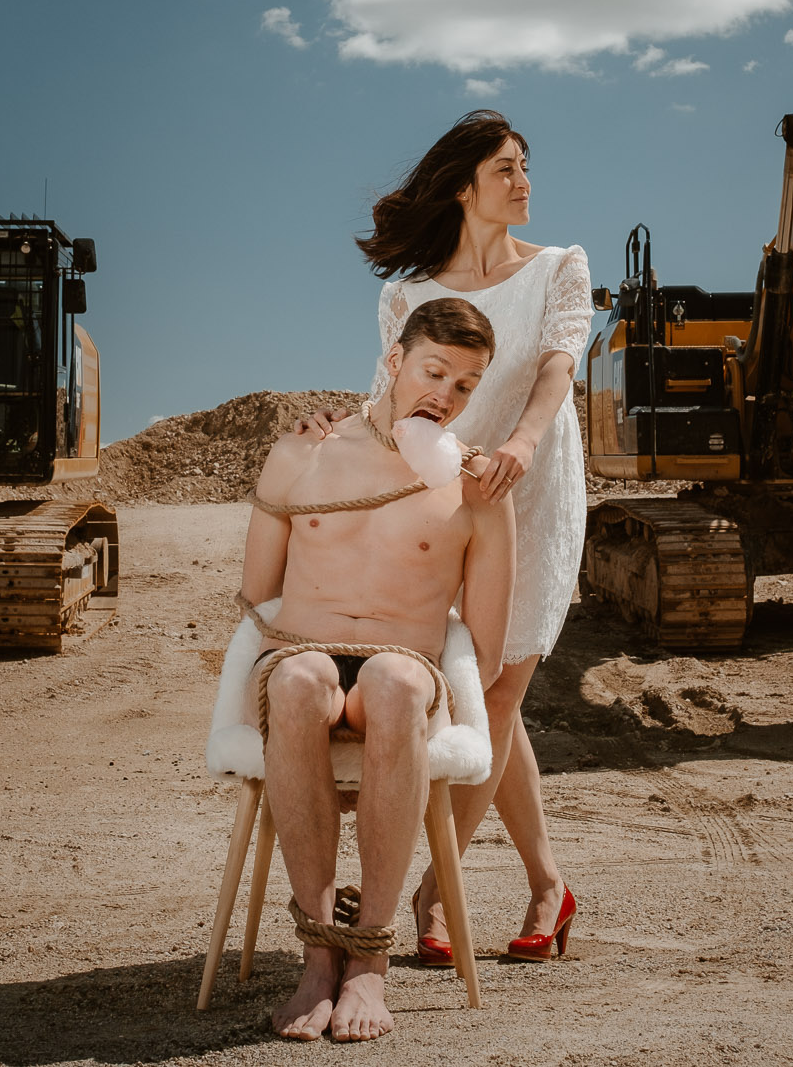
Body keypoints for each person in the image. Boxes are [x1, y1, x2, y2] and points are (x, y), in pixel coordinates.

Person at [299, 108, 589, 966]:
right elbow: (392, 399)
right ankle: (547, 883)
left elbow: (553, 370)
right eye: (506, 167)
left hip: (532, 493)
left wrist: (522, 447)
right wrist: (335, 436)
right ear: (464, 186)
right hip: (445, 503)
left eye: (527, 164)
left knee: (498, 691)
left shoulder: (560, 268)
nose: (524, 179)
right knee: (488, 695)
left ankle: (434, 886)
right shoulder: (407, 294)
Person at [242, 297, 514, 1042]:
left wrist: (441, 683)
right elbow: (256, 591)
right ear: (394, 363)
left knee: (394, 683)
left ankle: (369, 961)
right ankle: (318, 955)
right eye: (434, 371)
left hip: (406, 662)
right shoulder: (302, 451)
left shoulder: (477, 485)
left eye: (466, 384)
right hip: (302, 649)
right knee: (299, 683)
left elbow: (483, 645)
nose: (446, 395)